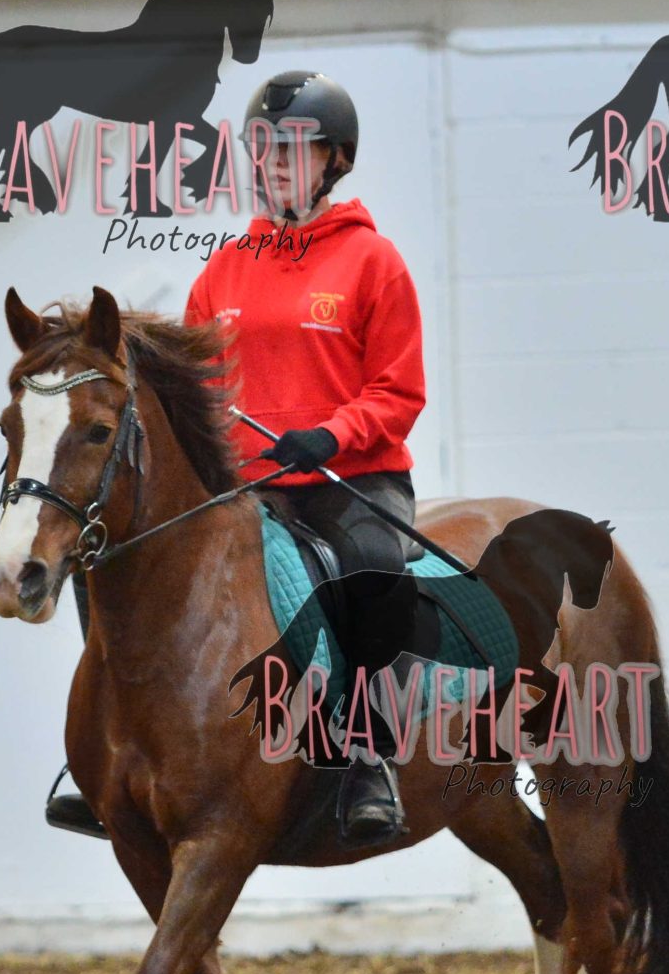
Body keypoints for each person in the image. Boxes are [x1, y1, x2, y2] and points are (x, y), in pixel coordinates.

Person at [45, 70, 427, 846]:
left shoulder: (373, 261)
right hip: (247, 490)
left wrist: (331, 435)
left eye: (293, 149)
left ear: (335, 160)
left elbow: (400, 390)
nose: (274, 164)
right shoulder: (225, 269)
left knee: (370, 572)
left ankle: (368, 758)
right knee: (107, 564)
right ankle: (103, 753)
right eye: (264, 149)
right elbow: (192, 397)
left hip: (347, 480)